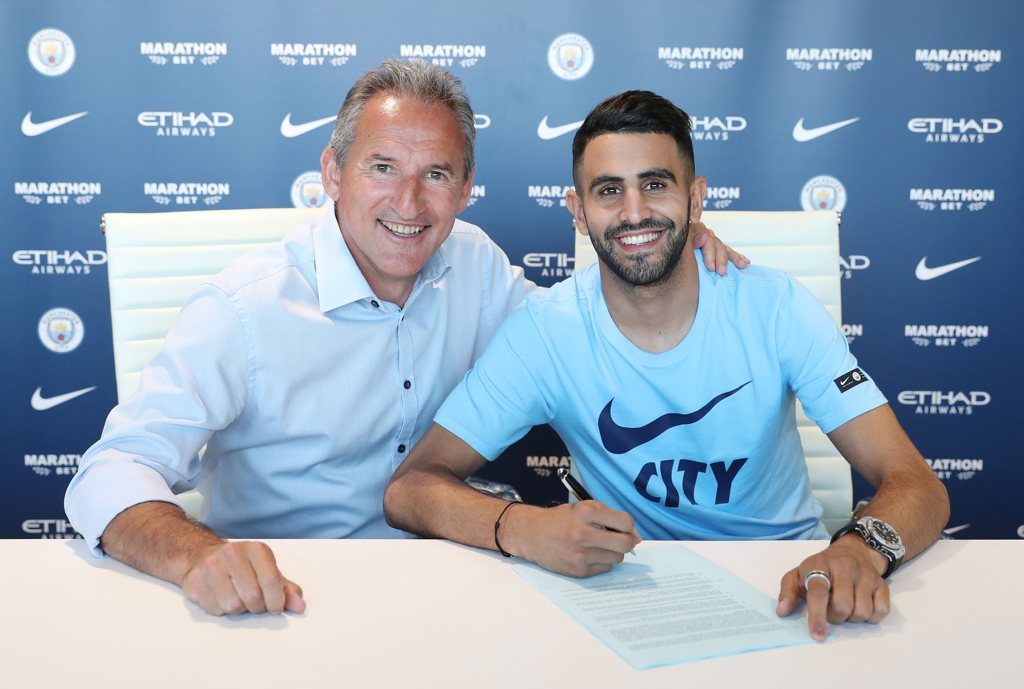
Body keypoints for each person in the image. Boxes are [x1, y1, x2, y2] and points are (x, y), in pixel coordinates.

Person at [64, 62, 742, 617]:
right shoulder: (243, 307)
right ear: (332, 172)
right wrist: (198, 557)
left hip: (458, 585)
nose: (410, 203)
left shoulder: (473, 263)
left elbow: (585, 338)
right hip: (287, 598)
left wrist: (661, 253)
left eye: (437, 175)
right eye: (382, 167)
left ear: (467, 187)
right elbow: (108, 471)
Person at [383, 90, 950, 642]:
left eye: (655, 184)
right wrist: (523, 528)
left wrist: (858, 548)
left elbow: (916, 483)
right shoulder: (544, 332)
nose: (634, 213)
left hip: (786, 583)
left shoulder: (776, 306)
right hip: (631, 591)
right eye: (609, 191)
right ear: (578, 211)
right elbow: (411, 489)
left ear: (695, 198)